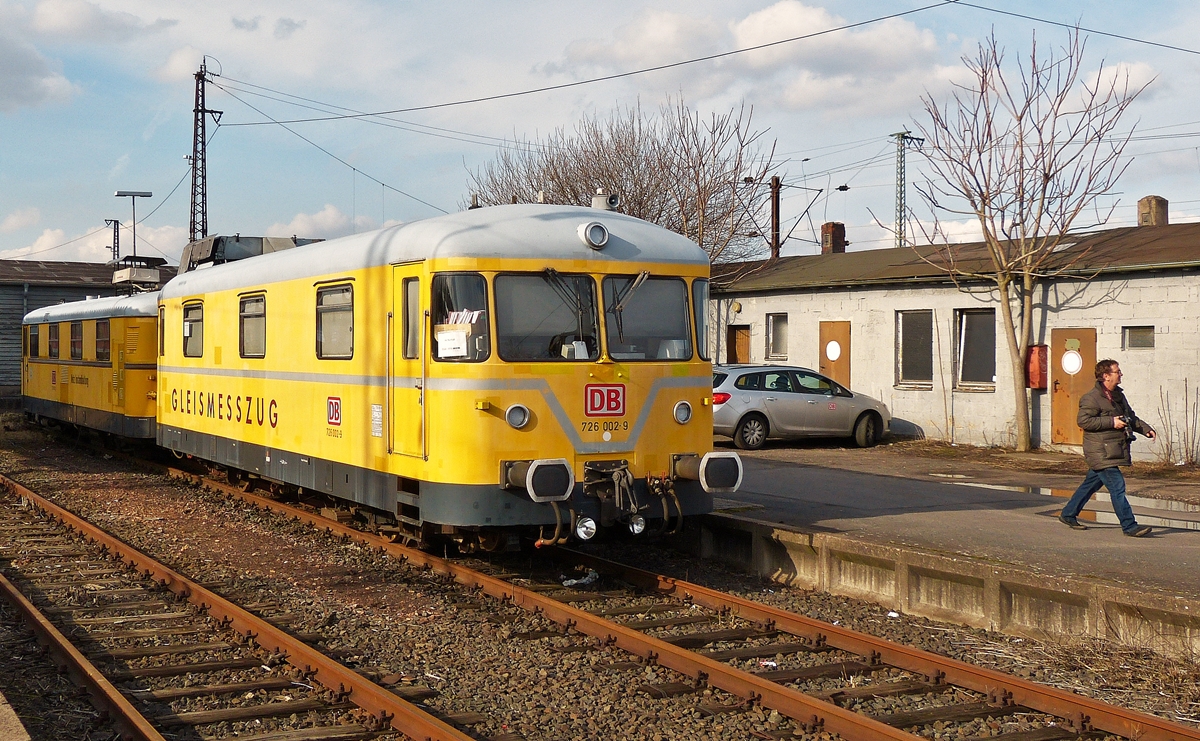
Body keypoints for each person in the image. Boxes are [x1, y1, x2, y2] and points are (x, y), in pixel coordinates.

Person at [1059, 359, 1156, 536]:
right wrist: (1111, 422)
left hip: (1112, 449)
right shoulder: (1092, 398)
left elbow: (1130, 418)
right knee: (1117, 486)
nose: (1121, 374)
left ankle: (1068, 513)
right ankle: (1130, 526)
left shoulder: (1118, 396)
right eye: (1117, 371)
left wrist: (1146, 429)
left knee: (1091, 484)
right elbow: (1084, 421)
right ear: (1106, 376)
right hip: (1100, 451)